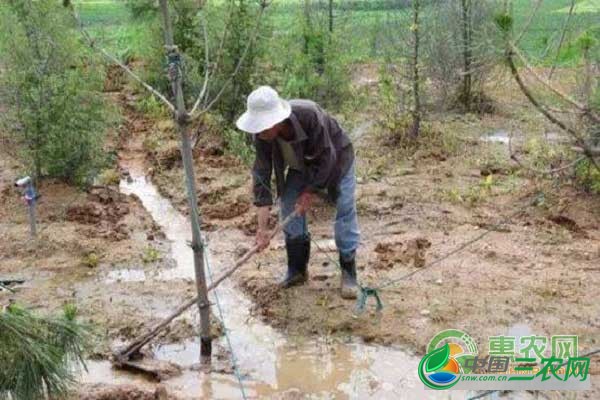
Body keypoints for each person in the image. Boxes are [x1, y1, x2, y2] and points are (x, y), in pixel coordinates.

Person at [235, 86, 360, 299]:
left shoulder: (309, 114)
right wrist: (262, 229)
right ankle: (297, 270)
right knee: (288, 204)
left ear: (276, 121)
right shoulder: (262, 138)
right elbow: (262, 177)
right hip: (301, 165)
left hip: (337, 159)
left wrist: (310, 192)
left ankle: (348, 270)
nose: (260, 132)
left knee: (345, 208)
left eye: (263, 126)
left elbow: (327, 157)